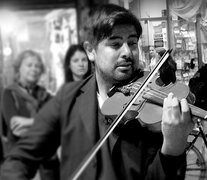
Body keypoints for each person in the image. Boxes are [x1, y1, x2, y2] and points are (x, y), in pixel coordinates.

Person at [0, 4, 194, 180]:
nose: (127, 52)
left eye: (132, 42)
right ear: (90, 51)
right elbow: (22, 156)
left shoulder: (151, 109)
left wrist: (173, 148)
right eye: (115, 44)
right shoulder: (68, 97)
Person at [0, 50, 60, 180]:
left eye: (37, 66)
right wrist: (45, 125)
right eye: (29, 65)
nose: (34, 69)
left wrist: (28, 122)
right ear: (19, 68)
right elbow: (16, 128)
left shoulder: (46, 95)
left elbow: (57, 123)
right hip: (20, 161)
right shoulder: (9, 93)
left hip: (47, 163)